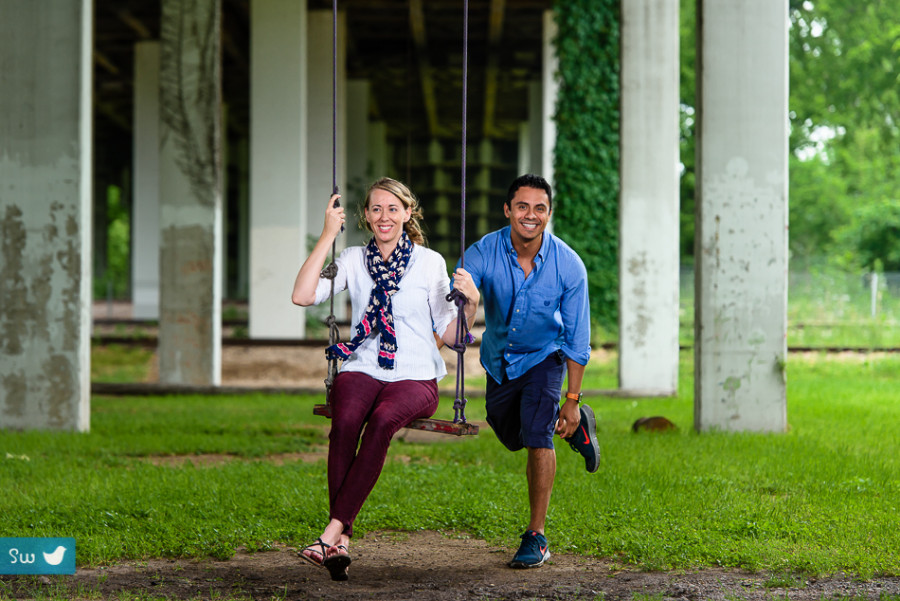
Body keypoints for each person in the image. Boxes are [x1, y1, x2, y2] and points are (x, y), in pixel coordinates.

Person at [291, 177, 479, 581]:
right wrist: (327, 235)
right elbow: (303, 296)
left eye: (393, 208)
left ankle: (331, 534)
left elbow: (451, 336)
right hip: (362, 366)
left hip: (414, 375)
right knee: (343, 423)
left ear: (408, 213)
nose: (384, 217)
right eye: (376, 209)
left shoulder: (430, 263)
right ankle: (339, 540)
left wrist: (472, 304)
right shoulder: (355, 259)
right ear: (366, 216)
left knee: (379, 423)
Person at [458, 173, 598, 569]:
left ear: (549, 213)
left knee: (537, 436)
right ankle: (576, 427)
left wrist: (571, 400)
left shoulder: (569, 266)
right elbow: (463, 293)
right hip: (499, 359)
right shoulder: (485, 250)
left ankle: (536, 535)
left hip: (543, 357)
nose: (530, 215)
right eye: (522, 207)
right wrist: (465, 294)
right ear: (508, 210)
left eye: (540, 208)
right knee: (509, 433)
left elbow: (576, 339)